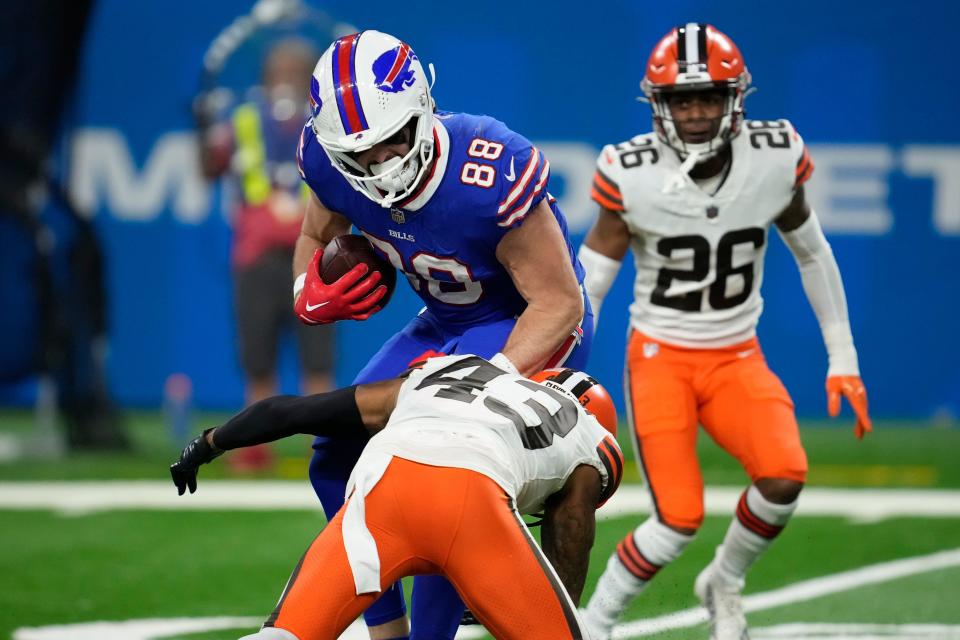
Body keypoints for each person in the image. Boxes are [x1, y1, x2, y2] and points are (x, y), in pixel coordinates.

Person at [575, 23, 872, 640]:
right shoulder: (629, 170)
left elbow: (813, 253)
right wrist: (564, 356)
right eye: (681, 100)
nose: (695, 112)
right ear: (658, 105)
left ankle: (725, 580)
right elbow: (593, 278)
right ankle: (595, 623)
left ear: (736, 98)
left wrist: (842, 356)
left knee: (784, 476)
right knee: (675, 519)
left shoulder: (775, 156)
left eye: (708, 97)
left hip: (737, 354)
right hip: (661, 356)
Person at [291, 30, 592, 637]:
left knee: (441, 467)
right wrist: (307, 290)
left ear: (422, 110)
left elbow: (560, 302)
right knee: (330, 458)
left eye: (390, 141)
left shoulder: (488, 167)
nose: (380, 164)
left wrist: (488, 383)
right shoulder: (328, 161)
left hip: (523, 323)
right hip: (447, 321)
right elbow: (313, 237)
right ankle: (388, 630)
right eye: (361, 155)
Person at [170, 355, 624, 640]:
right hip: (470, 500)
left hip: (380, 487)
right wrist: (538, 601)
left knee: (287, 634)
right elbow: (570, 527)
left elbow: (291, 411)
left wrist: (210, 442)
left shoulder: (446, 369)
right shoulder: (587, 433)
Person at [199, 39, 335, 468]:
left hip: (313, 256)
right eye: (279, 73)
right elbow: (208, 167)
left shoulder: (329, 127)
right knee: (258, 359)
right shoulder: (240, 122)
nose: (286, 82)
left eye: (296, 74)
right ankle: (254, 452)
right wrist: (201, 124)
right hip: (255, 259)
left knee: (318, 360)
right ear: (264, 79)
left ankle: (327, 449)